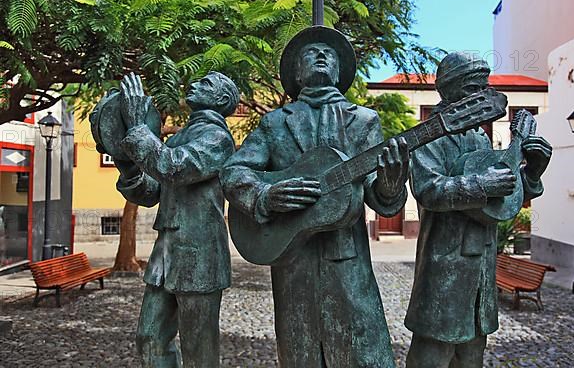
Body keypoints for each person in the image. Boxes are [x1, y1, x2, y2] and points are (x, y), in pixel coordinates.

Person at [220, 26, 409, 367]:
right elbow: (234, 172)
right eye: (310, 53)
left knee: (364, 353)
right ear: (296, 72)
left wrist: (391, 183)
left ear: (339, 71)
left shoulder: (365, 121)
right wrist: (264, 196)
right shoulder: (274, 122)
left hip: (347, 258)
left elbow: (377, 196)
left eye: (330, 53)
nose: (321, 55)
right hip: (292, 259)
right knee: (299, 353)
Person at [405, 52, 552, 368]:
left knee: (472, 355)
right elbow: (429, 190)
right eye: (473, 88)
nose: (482, 96)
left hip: (481, 269)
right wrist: (481, 185)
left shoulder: (480, 139)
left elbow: (503, 201)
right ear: (451, 88)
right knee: (432, 354)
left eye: (484, 88)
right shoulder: (429, 136)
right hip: (445, 265)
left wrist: (532, 173)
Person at [114, 72, 239, 367]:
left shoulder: (218, 139)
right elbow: (151, 191)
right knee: (149, 337)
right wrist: (126, 163)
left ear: (221, 100)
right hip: (167, 250)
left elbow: (173, 168)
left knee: (199, 348)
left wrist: (137, 128)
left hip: (200, 251)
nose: (193, 84)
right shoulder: (181, 137)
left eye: (205, 84)